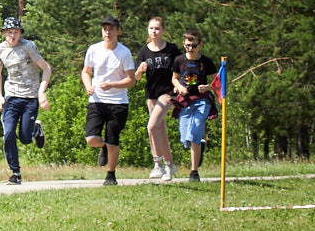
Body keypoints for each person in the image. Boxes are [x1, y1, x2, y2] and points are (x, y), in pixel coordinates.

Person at [0, 17, 50, 186]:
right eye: (9, 32)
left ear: (20, 33)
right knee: (8, 133)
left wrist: (42, 92)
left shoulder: (28, 47)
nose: (13, 35)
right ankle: (15, 173)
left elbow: (46, 69)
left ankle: (35, 129)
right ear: (3, 33)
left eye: (16, 32)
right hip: (11, 97)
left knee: (25, 138)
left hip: (30, 97)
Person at [81, 14, 137, 186]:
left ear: (117, 31)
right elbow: (86, 72)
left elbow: (131, 80)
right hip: (97, 100)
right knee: (91, 139)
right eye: (105, 29)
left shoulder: (124, 52)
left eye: (111, 29)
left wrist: (112, 84)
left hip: (118, 102)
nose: (107, 32)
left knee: (113, 139)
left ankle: (111, 174)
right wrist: (88, 86)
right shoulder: (93, 49)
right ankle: (103, 147)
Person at [135, 17, 181, 183]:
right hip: (152, 94)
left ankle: (157, 163)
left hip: (168, 92)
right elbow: (137, 78)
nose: (154, 31)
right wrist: (140, 69)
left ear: (163, 31)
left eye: (157, 28)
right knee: (160, 130)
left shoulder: (171, 49)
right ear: (148, 30)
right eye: (151, 28)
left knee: (152, 125)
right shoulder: (144, 51)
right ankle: (170, 165)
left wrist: (179, 84)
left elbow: (181, 66)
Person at [172, 29, 217, 182]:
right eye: (187, 45)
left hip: (202, 100)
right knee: (185, 138)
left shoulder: (206, 62)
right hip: (185, 100)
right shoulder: (179, 60)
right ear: (184, 44)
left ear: (200, 45)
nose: (190, 48)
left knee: (195, 132)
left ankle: (194, 172)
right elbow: (174, 78)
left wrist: (208, 87)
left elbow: (217, 81)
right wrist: (179, 87)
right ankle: (199, 149)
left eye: (193, 45)